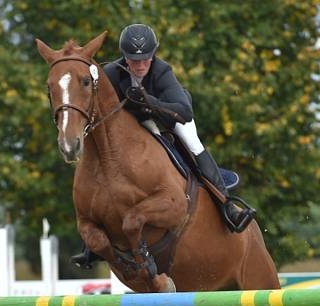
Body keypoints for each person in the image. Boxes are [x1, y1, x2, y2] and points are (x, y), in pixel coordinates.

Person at [72, 23, 256, 268]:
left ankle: (227, 204)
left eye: (145, 59)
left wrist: (150, 101)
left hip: (169, 118)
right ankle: (92, 244)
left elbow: (184, 111)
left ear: (153, 55)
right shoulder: (112, 73)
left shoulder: (161, 71)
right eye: (133, 60)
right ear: (124, 57)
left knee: (193, 143)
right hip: (135, 126)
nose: (139, 66)